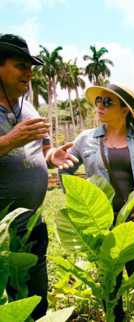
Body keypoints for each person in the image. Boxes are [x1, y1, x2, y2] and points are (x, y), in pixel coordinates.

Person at [57, 83, 134, 322]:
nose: (99, 107)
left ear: (125, 110)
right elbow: (65, 170)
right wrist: (79, 201)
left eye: (107, 102)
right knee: (110, 288)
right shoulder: (85, 140)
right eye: (98, 101)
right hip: (100, 225)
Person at [0, 33, 77, 320]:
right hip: (1, 232)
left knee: (36, 301)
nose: (30, 74)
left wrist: (52, 155)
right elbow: (13, 142)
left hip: (33, 225)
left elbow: (43, 148)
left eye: (31, 68)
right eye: (21, 65)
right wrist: (9, 140)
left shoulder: (28, 107)